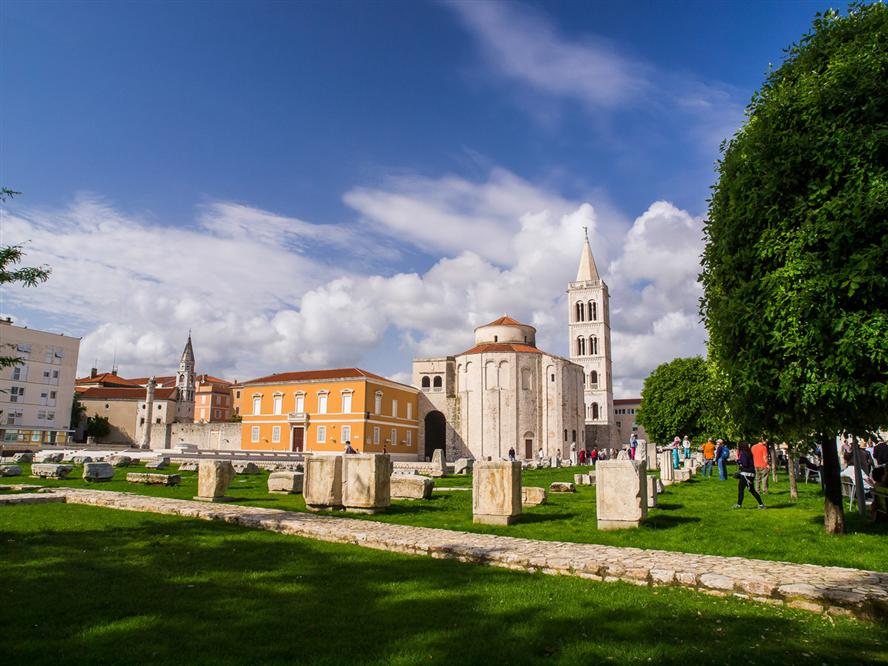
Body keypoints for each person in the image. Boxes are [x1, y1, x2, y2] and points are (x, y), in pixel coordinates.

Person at [734, 442, 765, 509]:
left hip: (745, 474)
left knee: (741, 489)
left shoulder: (743, 453)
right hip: (751, 474)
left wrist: (738, 461)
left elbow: (745, 464)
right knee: (752, 490)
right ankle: (761, 505)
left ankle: (739, 505)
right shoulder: (749, 453)